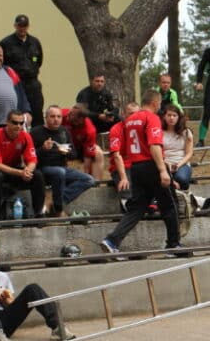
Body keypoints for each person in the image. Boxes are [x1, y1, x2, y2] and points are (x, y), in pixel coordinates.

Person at [100, 90, 186, 256]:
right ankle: (173, 245)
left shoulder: (129, 121)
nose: (159, 107)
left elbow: (125, 147)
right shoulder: (151, 118)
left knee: (137, 208)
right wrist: (162, 170)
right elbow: (154, 145)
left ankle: (112, 240)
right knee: (170, 205)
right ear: (155, 103)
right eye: (159, 104)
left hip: (135, 167)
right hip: (151, 165)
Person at [0, 242, 74, 341]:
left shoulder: (3, 277)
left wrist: (3, 299)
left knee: (33, 288)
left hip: (3, 326)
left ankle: (57, 327)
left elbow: (10, 304)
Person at [0, 110, 45, 220]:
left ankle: (38, 214)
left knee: (37, 174)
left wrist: (27, 171)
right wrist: (20, 172)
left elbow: (32, 160)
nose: (18, 126)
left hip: (11, 170)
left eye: (21, 123)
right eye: (15, 122)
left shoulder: (26, 136)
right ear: (7, 122)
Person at [30, 105, 95, 217]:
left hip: (62, 168)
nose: (56, 119)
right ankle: (58, 209)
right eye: (52, 116)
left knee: (89, 180)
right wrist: (43, 149)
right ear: (46, 117)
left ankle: (57, 203)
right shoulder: (36, 132)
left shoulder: (64, 131)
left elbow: (74, 154)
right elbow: (29, 155)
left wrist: (66, 152)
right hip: (43, 168)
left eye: (59, 117)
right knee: (60, 172)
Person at [0, 15, 44, 127]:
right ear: (15, 26)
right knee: (15, 114)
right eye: (20, 26)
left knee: (37, 113)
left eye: (25, 26)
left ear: (28, 26)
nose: (22, 28)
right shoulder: (6, 43)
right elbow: (1, 64)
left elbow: (38, 61)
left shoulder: (34, 42)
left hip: (32, 84)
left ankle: (36, 136)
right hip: (15, 84)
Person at [108, 102, 139, 212]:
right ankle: (129, 209)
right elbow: (116, 156)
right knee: (126, 185)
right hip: (122, 166)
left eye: (136, 114)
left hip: (138, 164)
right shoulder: (115, 129)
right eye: (131, 114)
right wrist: (123, 177)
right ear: (124, 114)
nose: (134, 117)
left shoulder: (141, 127)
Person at [62, 103, 105, 180]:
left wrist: (86, 176)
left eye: (71, 116)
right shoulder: (61, 115)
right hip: (63, 146)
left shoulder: (89, 130)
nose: (68, 117)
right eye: (69, 113)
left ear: (80, 120)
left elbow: (88, 155)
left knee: (98, 153)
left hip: (79, 148)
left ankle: (95, 182)